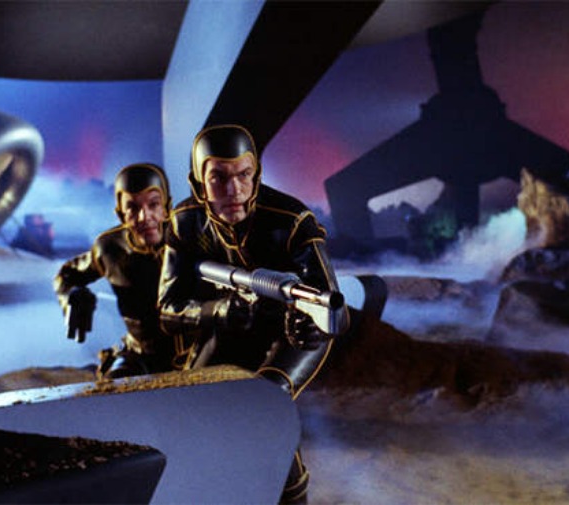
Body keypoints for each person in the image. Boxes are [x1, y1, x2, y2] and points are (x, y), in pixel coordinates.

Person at [158, 124, 349, 503]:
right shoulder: (185, 222)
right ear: (198, 183)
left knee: (265, 405)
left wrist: (311, 327)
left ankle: (291, 497)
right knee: (191, 406)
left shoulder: (292, 221)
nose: (234, 190)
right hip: (230, 324)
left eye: (244, 175)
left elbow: (334, 311)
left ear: (256, 175)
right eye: (219, 178)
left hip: (291, 333)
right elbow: (168, 310)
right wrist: (218, 310)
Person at [55, 163, 175, 380]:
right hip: (140, 355)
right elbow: (67, 274)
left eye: (153, 204)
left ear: (166, 206)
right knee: (114, 386)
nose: (144, 217)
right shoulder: (109, 248)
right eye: (133, 208)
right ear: (120, 214)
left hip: (194, 353)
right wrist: (71, 296)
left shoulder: (189, 239)